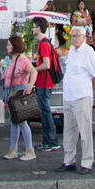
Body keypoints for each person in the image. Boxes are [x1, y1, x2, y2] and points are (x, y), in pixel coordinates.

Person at [55, 26, 95, 174]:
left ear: (84, 37)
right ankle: (69, 161)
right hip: (69, 97)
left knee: (85, 131)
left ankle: (87, 162)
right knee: (69, 130)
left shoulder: (88, 52)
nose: (74, 38)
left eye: (76, 36)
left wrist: (90, 92)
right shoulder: (72, 52)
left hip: (82, 96)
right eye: (72, 36)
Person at [1, 35, 37, 161]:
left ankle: (29, 150)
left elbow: (33, 71)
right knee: (15, 122)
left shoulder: (21, 59)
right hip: (12, 93)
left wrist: (30, 86)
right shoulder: (13, 59)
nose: (7, 47)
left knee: (21, 121)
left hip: (19, 93)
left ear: (14, 46)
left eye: (9, 44)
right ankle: (13, 149)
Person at [31, 16, 61, 152]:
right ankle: (48, 140)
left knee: (45, 111)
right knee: (44, 111)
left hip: (44, 82)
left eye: (34, 26)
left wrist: (34, 69)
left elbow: (47, 64)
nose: (32, 29)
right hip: (45, 82)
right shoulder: (45, 42)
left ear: (39, 28)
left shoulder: (43, 44)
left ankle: (51, 140)